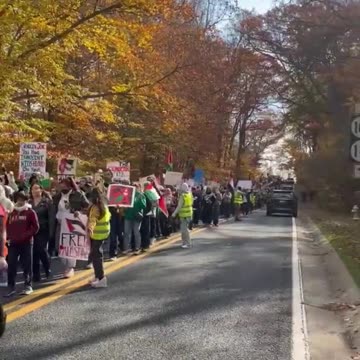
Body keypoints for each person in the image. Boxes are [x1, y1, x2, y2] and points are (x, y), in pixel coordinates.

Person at [53, 177, 89, 278]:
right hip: (60, 224)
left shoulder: (78, 195)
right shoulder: (57, 197)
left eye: (65, 184)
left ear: (70, 186)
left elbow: (87, 207)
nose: (63, 186)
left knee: (71, 245)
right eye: (61, 184)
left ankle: (70, 267)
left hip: (72, 223)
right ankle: (66, 265)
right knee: (59, 246)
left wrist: (80, 212)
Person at [6, 191, 39, 296]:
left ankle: (28, 285)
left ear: (26, 200)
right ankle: (11, 287)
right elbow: (7, 227)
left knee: (27, 265)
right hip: (13, 244)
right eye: (19, 199)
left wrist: (25, 236)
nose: (21, 201)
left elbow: (36, 227)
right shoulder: (11, 213)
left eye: (23, 199)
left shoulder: (30, 212)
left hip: (26, 243)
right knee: (11, 265)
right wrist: (8, 238)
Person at [29, 183, 55, 282]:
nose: (35, 191)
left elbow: (51, 218)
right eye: (33, 189)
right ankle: (36, 274)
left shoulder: (47, 202)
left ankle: (47, 269)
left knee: (41, 249)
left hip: (43, 229)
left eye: (36, 188)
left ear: (41, 190)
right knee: (34, 252)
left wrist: (51, 232)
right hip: (31, 231)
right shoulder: (29, 203)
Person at [87, 188, 111, 288]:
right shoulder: (103, 205)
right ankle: (98, 276)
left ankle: (101, 278)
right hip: (103, 233)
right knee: (95, 255)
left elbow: (93, 219)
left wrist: (90, 228)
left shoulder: (96, 207)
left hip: (97, 234)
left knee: (96, 256)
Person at [124, 184, 147, 255]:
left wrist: (140, 200)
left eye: (135, 186)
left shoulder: (140, 195)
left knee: (136, 232)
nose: (134, 188)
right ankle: (127, 248)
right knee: (127, 232)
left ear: (138, 188)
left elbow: (144, 206)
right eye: (133, 186)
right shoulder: (127, 194)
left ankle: (137, 247)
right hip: (128, 216)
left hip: (136, 217)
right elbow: (123, 203)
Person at [0, 185, 14, 287]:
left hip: (4, 236)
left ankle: (5, 277)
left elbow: (2, 230)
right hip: (4, 235)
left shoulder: (4, 204)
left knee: (3, 259)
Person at [172, 183, 193, 249]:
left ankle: (187, 243)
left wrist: (174, 213)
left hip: (184, 215)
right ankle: (184, 242)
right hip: (189, 214)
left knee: (184, 230)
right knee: (184, 229)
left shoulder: (183, 196)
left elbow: (179, 206)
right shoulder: (189, 194)